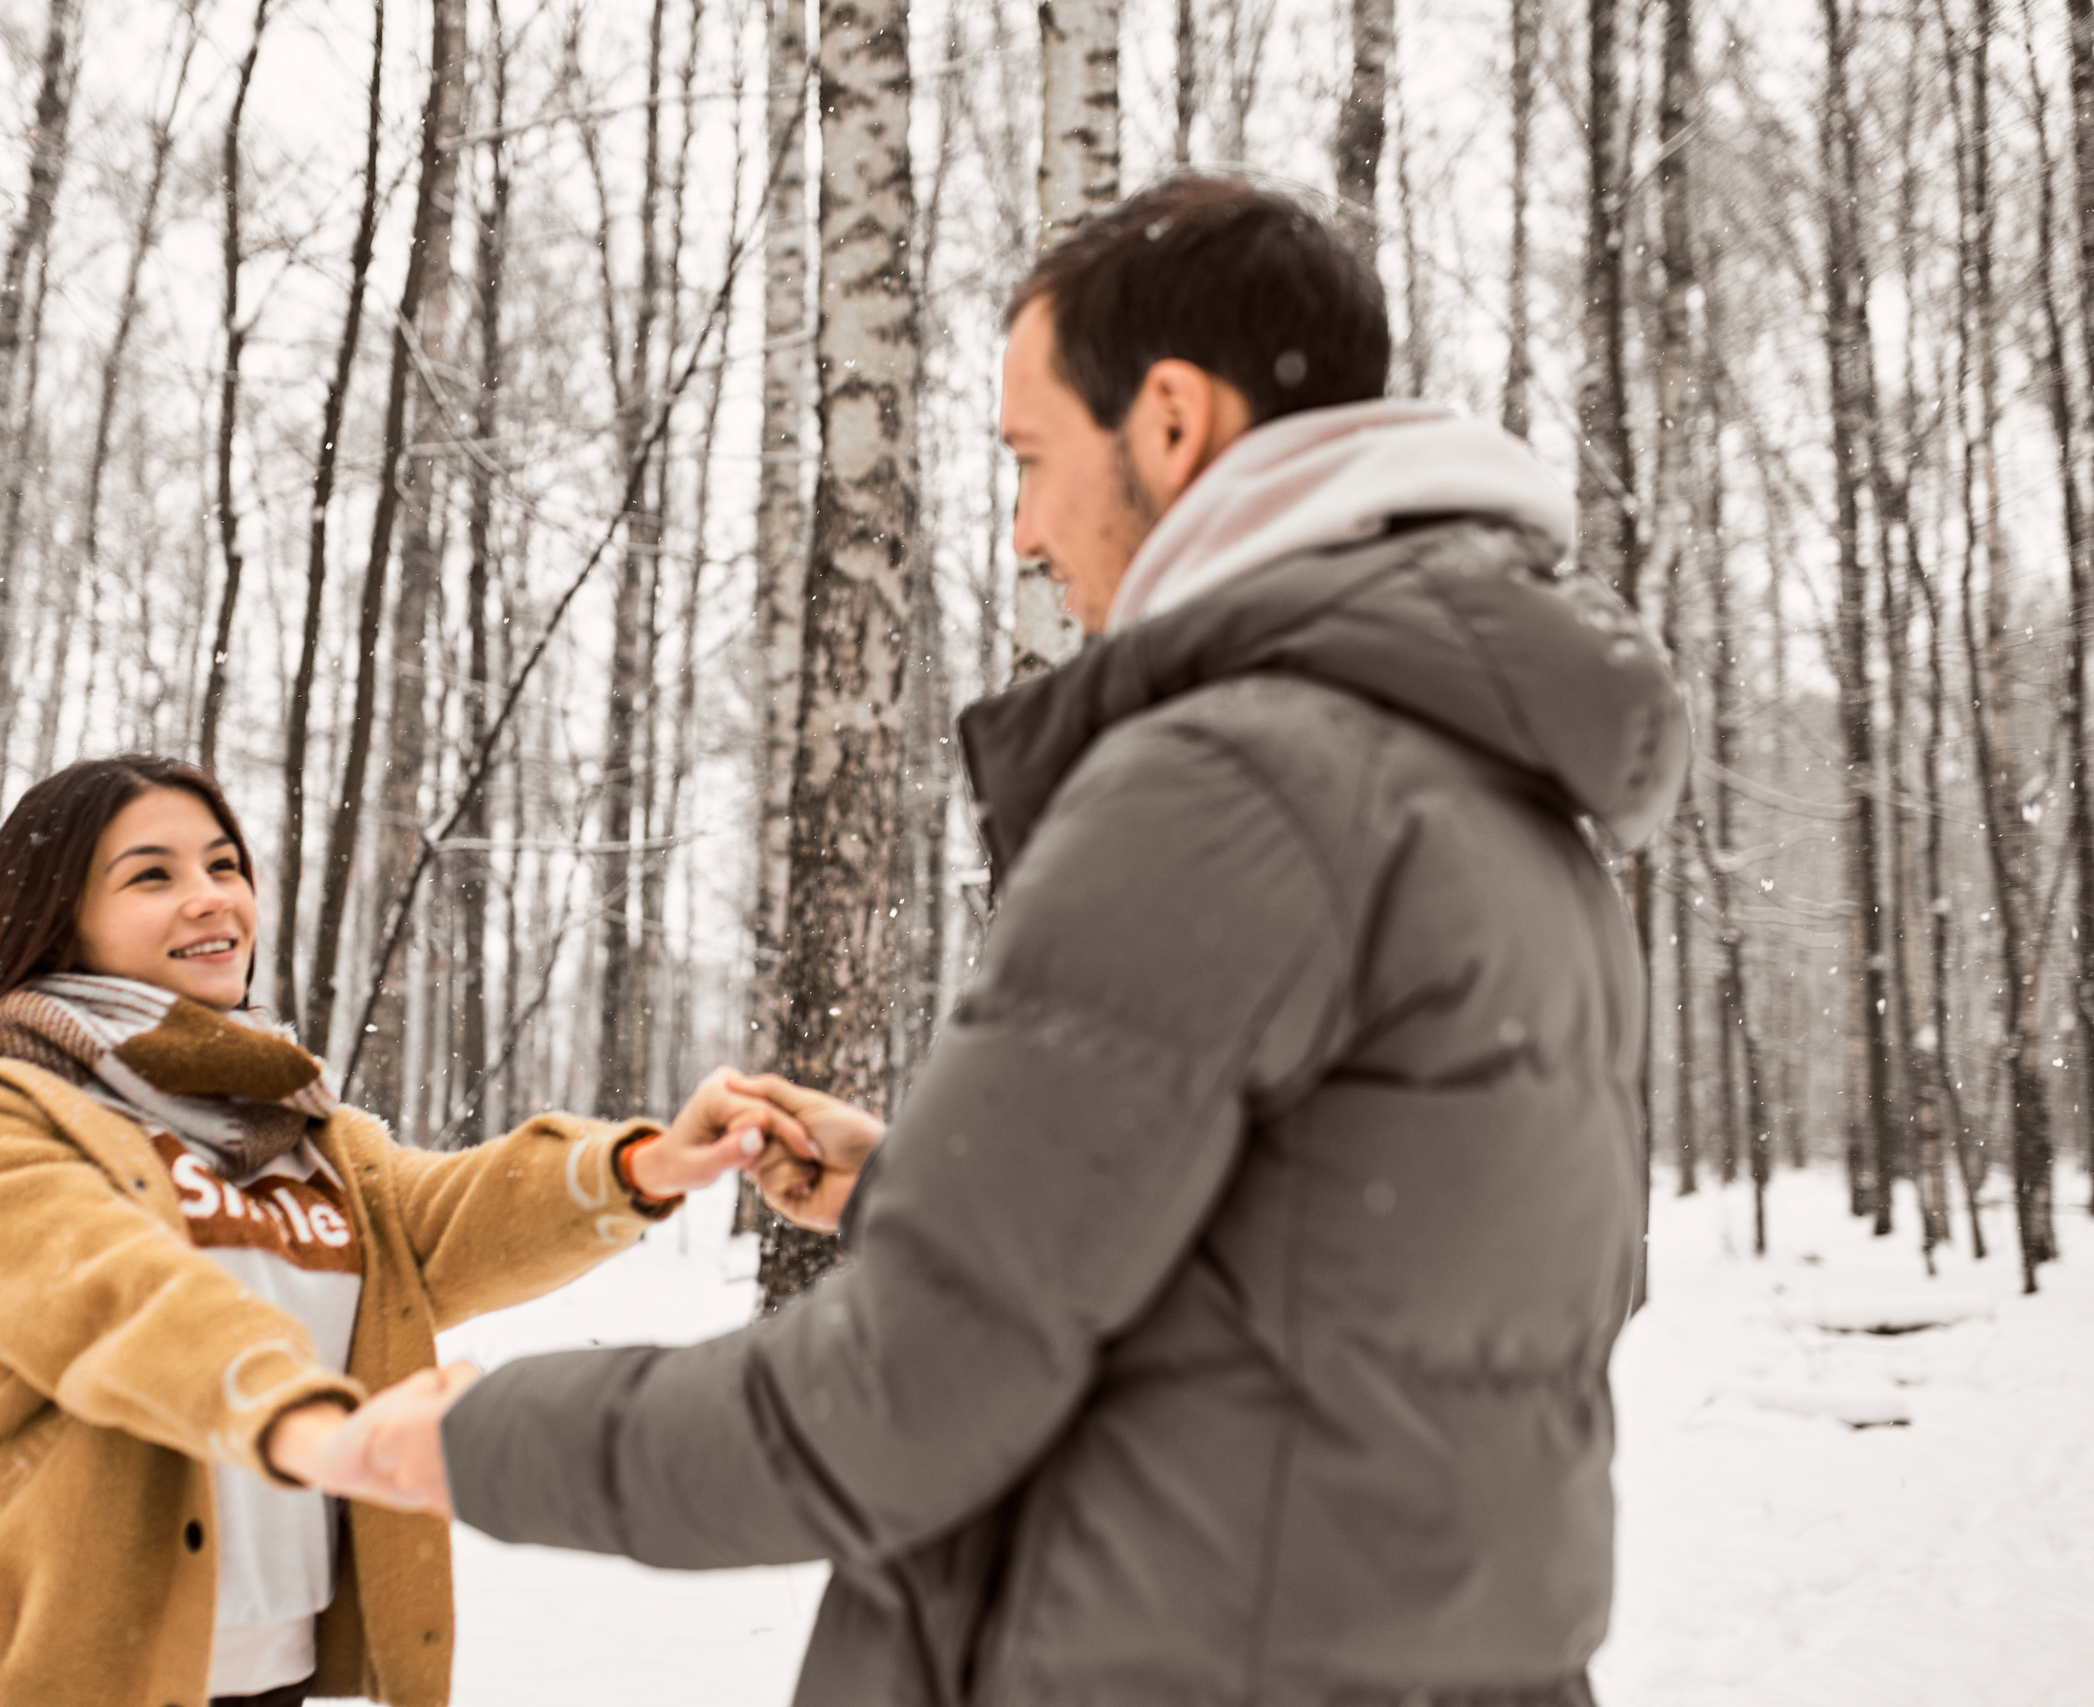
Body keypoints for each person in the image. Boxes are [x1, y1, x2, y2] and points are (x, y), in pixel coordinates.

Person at [329, 175, 1691, 1706]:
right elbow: (1352, 1289)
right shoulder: (1498, 789)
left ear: (1170, 421)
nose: (1028, 531)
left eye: (1036, 460)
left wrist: (469, 1435)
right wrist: (924, 1188)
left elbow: (891, 1409)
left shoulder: (1230, 781)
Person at [0, 754, 808, 1707]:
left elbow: (447, 1218)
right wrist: (310, 1427)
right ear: (57, 920)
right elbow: (110, 1297)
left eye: (225, 865)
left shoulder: (303, 1134)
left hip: (269, 1668)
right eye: (152, 875)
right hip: (57, 1670)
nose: (212, 897)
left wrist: (643, 1166)